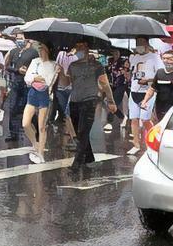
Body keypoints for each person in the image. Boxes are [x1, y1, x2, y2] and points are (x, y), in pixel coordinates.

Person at [66, 41, 116, 170]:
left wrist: (110, 100)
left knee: (83, 131)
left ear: (87, 49)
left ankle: (76, 163)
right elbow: (67, 82)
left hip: (89, 101)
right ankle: (89, 158)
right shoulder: (72, 65)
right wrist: (61, 71)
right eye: (77, 48)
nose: (79, 50)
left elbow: (104, 83)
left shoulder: (96, 65)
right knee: (79, 131)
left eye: (81, 47)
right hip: (74, 100)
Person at [22, 41, 58, 163]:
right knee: (25, 123)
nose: (40, 50)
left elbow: (48, 81)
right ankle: (35, 143)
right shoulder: (35, 61)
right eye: (39, 48)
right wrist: (34, 78)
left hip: (44, 95)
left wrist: (36, 78)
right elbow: (27, 78)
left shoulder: (53, 64)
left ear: (47, 50)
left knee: (42, 126)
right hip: (32, 93)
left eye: (42, 48)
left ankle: (41, 153)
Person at [126, 38, 162, 156]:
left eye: (141, 43)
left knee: (145, 119)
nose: (138, 46)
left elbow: (160, 74)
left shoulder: (154, 57)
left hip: (148, 92)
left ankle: (154, 140)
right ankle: (136, 145)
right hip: (134, 91)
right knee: (134, 119)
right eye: (137, 44)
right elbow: (131, 72)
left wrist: (148, 80)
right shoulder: (134, 57)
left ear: (146, 44)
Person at [3, 35, 38, 142]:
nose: (20, 40)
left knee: (28, 109)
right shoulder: (14, 51)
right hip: (16, 83)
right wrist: (17, 70)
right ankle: (13, 133)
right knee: (12, 108)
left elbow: (37, 66)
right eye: (18, 38)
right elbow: (7, 66)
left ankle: (38, 130)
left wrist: (28, 71)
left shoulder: (33, 52)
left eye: (21, 37)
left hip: (27, 84)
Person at [144, 50, 173, 122]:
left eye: (169, 59)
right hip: (159, 108)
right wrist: (145, 101)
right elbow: (152, 89)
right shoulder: (159, 73)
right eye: (164, 58)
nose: (166, 61)